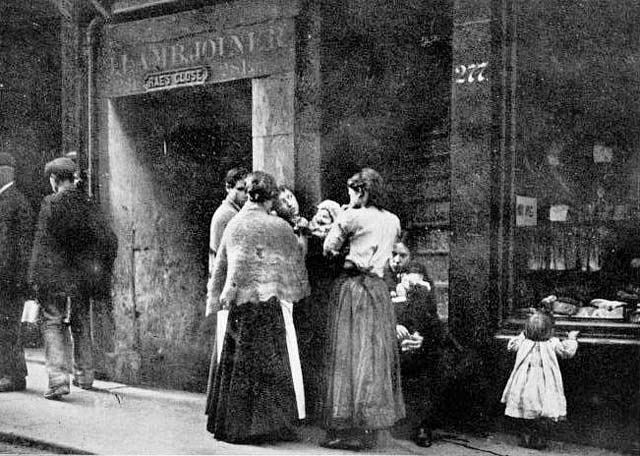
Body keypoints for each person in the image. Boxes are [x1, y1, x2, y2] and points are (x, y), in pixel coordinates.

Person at [205, 171, 310, 443]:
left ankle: (235, 426)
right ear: (271, 198)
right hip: (267, 306)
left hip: (240, 307)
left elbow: (221, 267)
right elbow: (295, 261)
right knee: (269, 367)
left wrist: (216, 298)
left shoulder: (235, 223)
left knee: (239, 366)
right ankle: (267, 426)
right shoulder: (279, 227)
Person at [321, 168, 405, 451]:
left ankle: (348, 429)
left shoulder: (350, 216)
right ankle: (370, 424)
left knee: (349, 354)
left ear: (362, 192)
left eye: (352, 192)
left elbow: (328, 249)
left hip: (354, 289)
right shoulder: (393, 220)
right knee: (372, 354)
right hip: (379, 291)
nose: (350, 198)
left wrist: (344, 234)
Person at [28, 157, 118, 400]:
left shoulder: (51, 204)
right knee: (80, 323)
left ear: (54, 180)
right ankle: (85, 375)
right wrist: (96, 270)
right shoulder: (88, 204)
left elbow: (42, 245)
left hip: (55, 279)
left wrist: (35, 278)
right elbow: (109, 240)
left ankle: (58, 380)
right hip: (80, 280)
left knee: (52, 323)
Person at [383, 240, 448, 447]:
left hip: (415, 341)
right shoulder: (382, 279)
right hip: (386, 339)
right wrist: (392, 326)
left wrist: (422, 336)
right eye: (393, 254)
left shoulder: (420, 279)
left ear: (410, 257)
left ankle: (422, 425)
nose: (397, 260)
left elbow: (432, 318)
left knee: (428, 360)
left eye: (403, 256)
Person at [501, 307, 579, 449]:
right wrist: (572, 338)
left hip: (523, 385)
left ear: (526, 330)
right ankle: (538, 438)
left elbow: (511, 345)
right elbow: (568, 352)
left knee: (524, 409)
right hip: (544, 385)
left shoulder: (523, 342)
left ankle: (524, 434)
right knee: (543, 412)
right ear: (550, 331)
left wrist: (522, 335)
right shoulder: (553, 343)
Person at [0, 152, 34, 392]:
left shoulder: (13, 202)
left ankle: (14, 376)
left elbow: (17, 247)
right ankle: (10, 373)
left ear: (4, 172)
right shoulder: (10, 200)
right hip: (8, 277)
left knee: (9, 327)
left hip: (9, 279)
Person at [206, 167, 248, 311]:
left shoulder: (235, 212)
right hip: (225, 284)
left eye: (248, 190)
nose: (246, 194)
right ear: (228, 188)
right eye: (241, 189)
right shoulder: (226, 215)